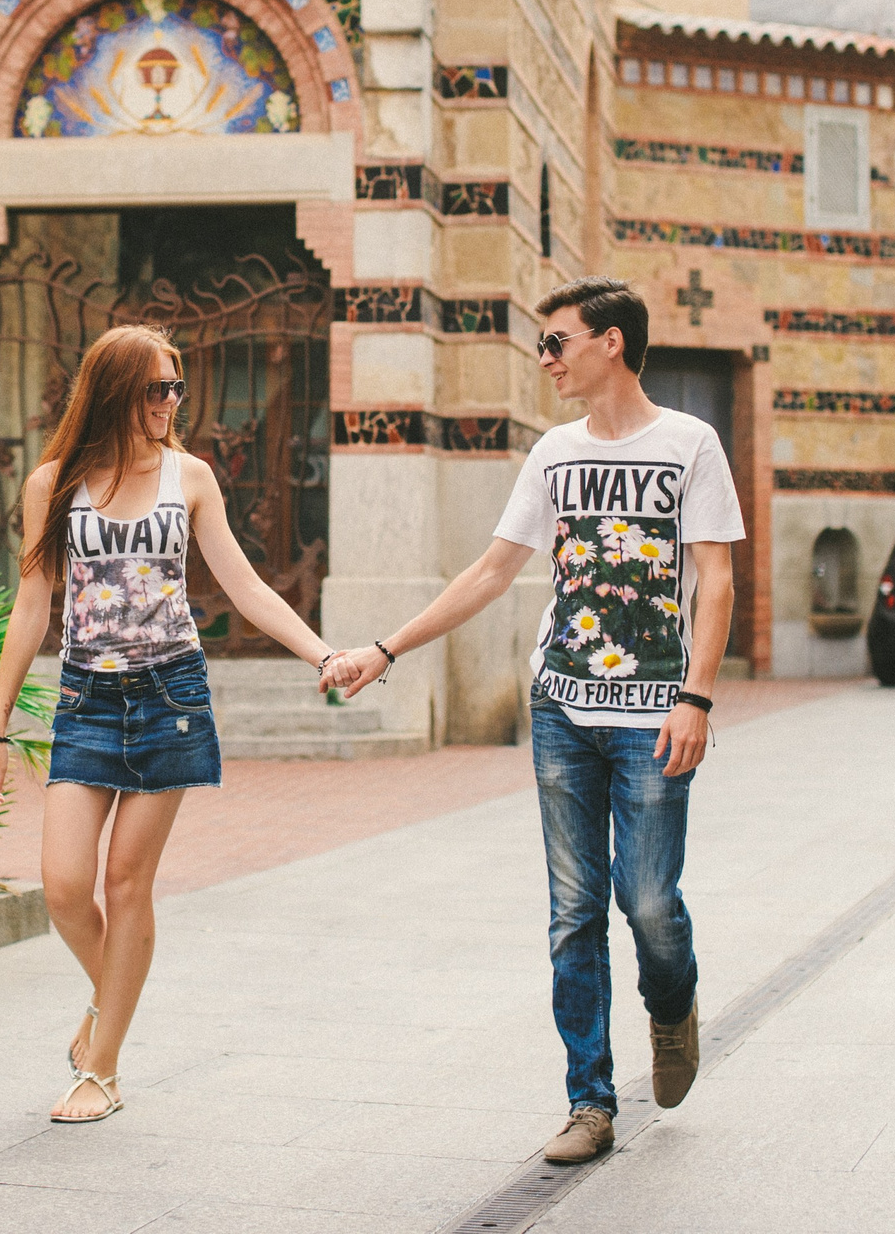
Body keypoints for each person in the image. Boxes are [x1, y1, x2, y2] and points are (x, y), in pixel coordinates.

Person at [323, 276, 744, 1166]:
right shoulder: (553, 453)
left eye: (557, 341)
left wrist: (696, 696)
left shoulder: (691, 444)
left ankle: (672, 1007)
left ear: (612, 344)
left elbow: (717, 580)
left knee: (651, 903)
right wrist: (386, 649)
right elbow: (490, 570)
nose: (543, 357)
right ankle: (589, 1101)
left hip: (655, 716)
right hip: (560, 708)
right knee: (573, 911)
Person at [0, 324, 341, 1125]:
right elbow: (31, 607)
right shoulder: (54, 485)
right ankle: (110, 1001)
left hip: (171, 695)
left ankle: (101, 1069)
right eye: (157, 388)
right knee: (66, 888)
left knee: (125, 883)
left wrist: (320, 653)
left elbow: (244, 586)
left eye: (177, 387)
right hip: (85, 699)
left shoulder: (192, 476)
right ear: (115, 393)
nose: (172, 401)